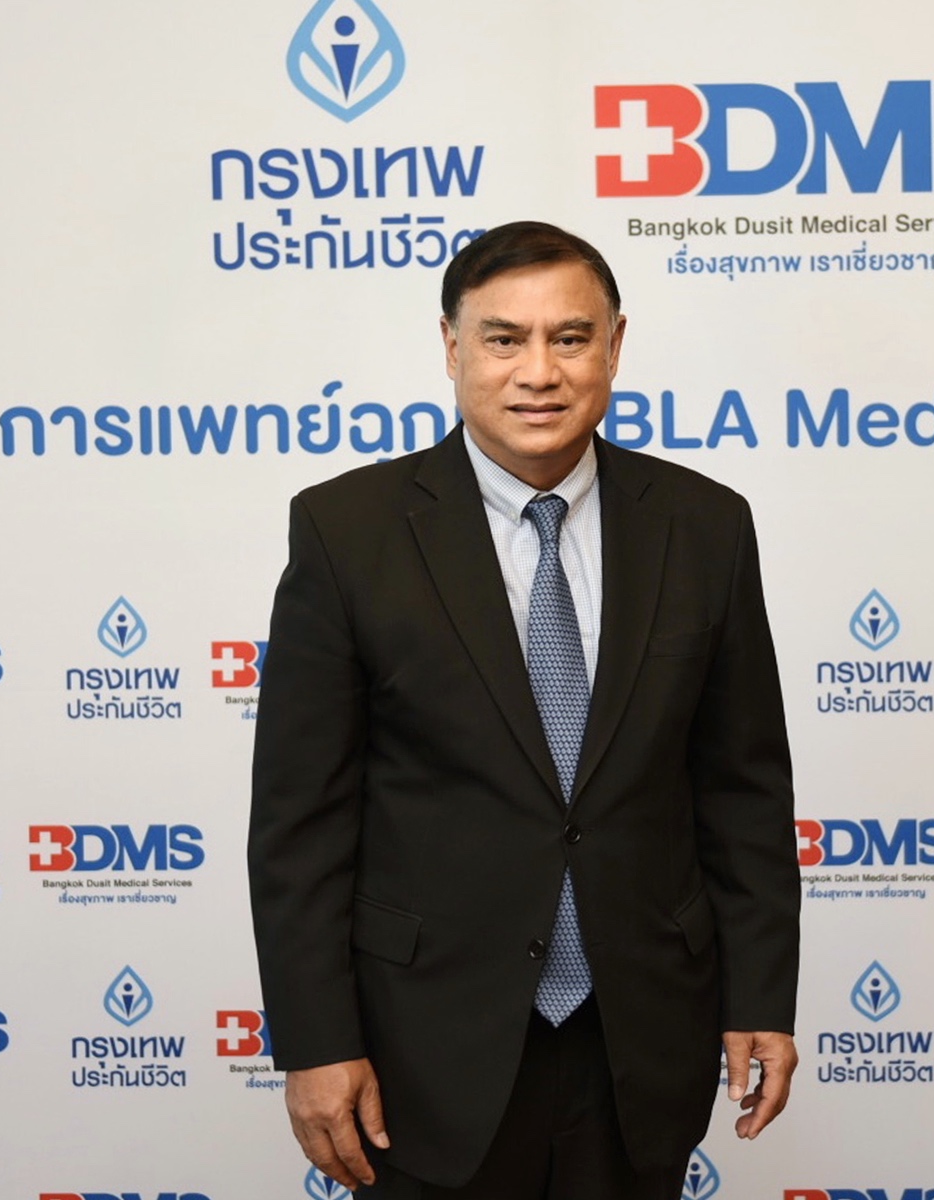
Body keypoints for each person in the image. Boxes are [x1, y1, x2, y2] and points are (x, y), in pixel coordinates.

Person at [247, 221, 799, 1199]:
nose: (538, 372)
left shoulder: (706, 525)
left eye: (570, 338)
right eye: (504, 339)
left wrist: (760, 995)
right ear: (452, 347)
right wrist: (316, 1041)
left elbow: (742, 789)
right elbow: (302, 823)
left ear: (614, 347)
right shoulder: (347, 531)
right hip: (424, 1048)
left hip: (641, 1040)